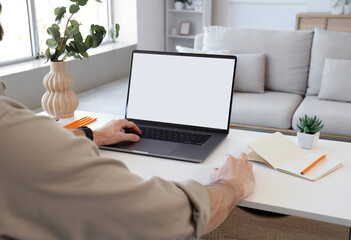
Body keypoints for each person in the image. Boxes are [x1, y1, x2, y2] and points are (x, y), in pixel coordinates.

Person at [0, 3, 255, 239]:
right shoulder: (13, 133)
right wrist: (232, 184)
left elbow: (40, 149)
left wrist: (91, 134)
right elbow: (168, 218)